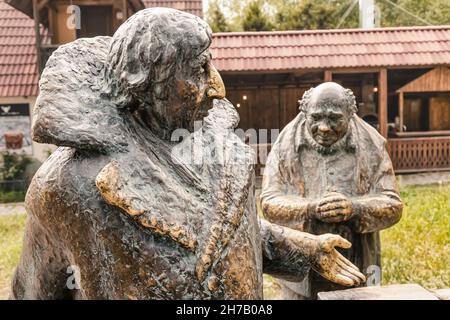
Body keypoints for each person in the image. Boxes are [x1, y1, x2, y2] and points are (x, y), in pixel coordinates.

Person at [11, 9, 364, 300]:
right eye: (198, 70)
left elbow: (227, 232)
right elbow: (32, 290)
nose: (217, 87)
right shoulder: (68, 186)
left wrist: (305, 250)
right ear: (148, 81)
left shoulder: (216, 149)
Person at [260, 82, 403, 299]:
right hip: (301, 275)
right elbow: (269, 203)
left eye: (335, 118)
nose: (324, 127)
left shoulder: (371, 145)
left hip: (358, 266)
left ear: (350, 114)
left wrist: (354, 208)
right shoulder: (285, 147)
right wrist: (309, 209)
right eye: (316, 118)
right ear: (305, 113)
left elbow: (393, 205)